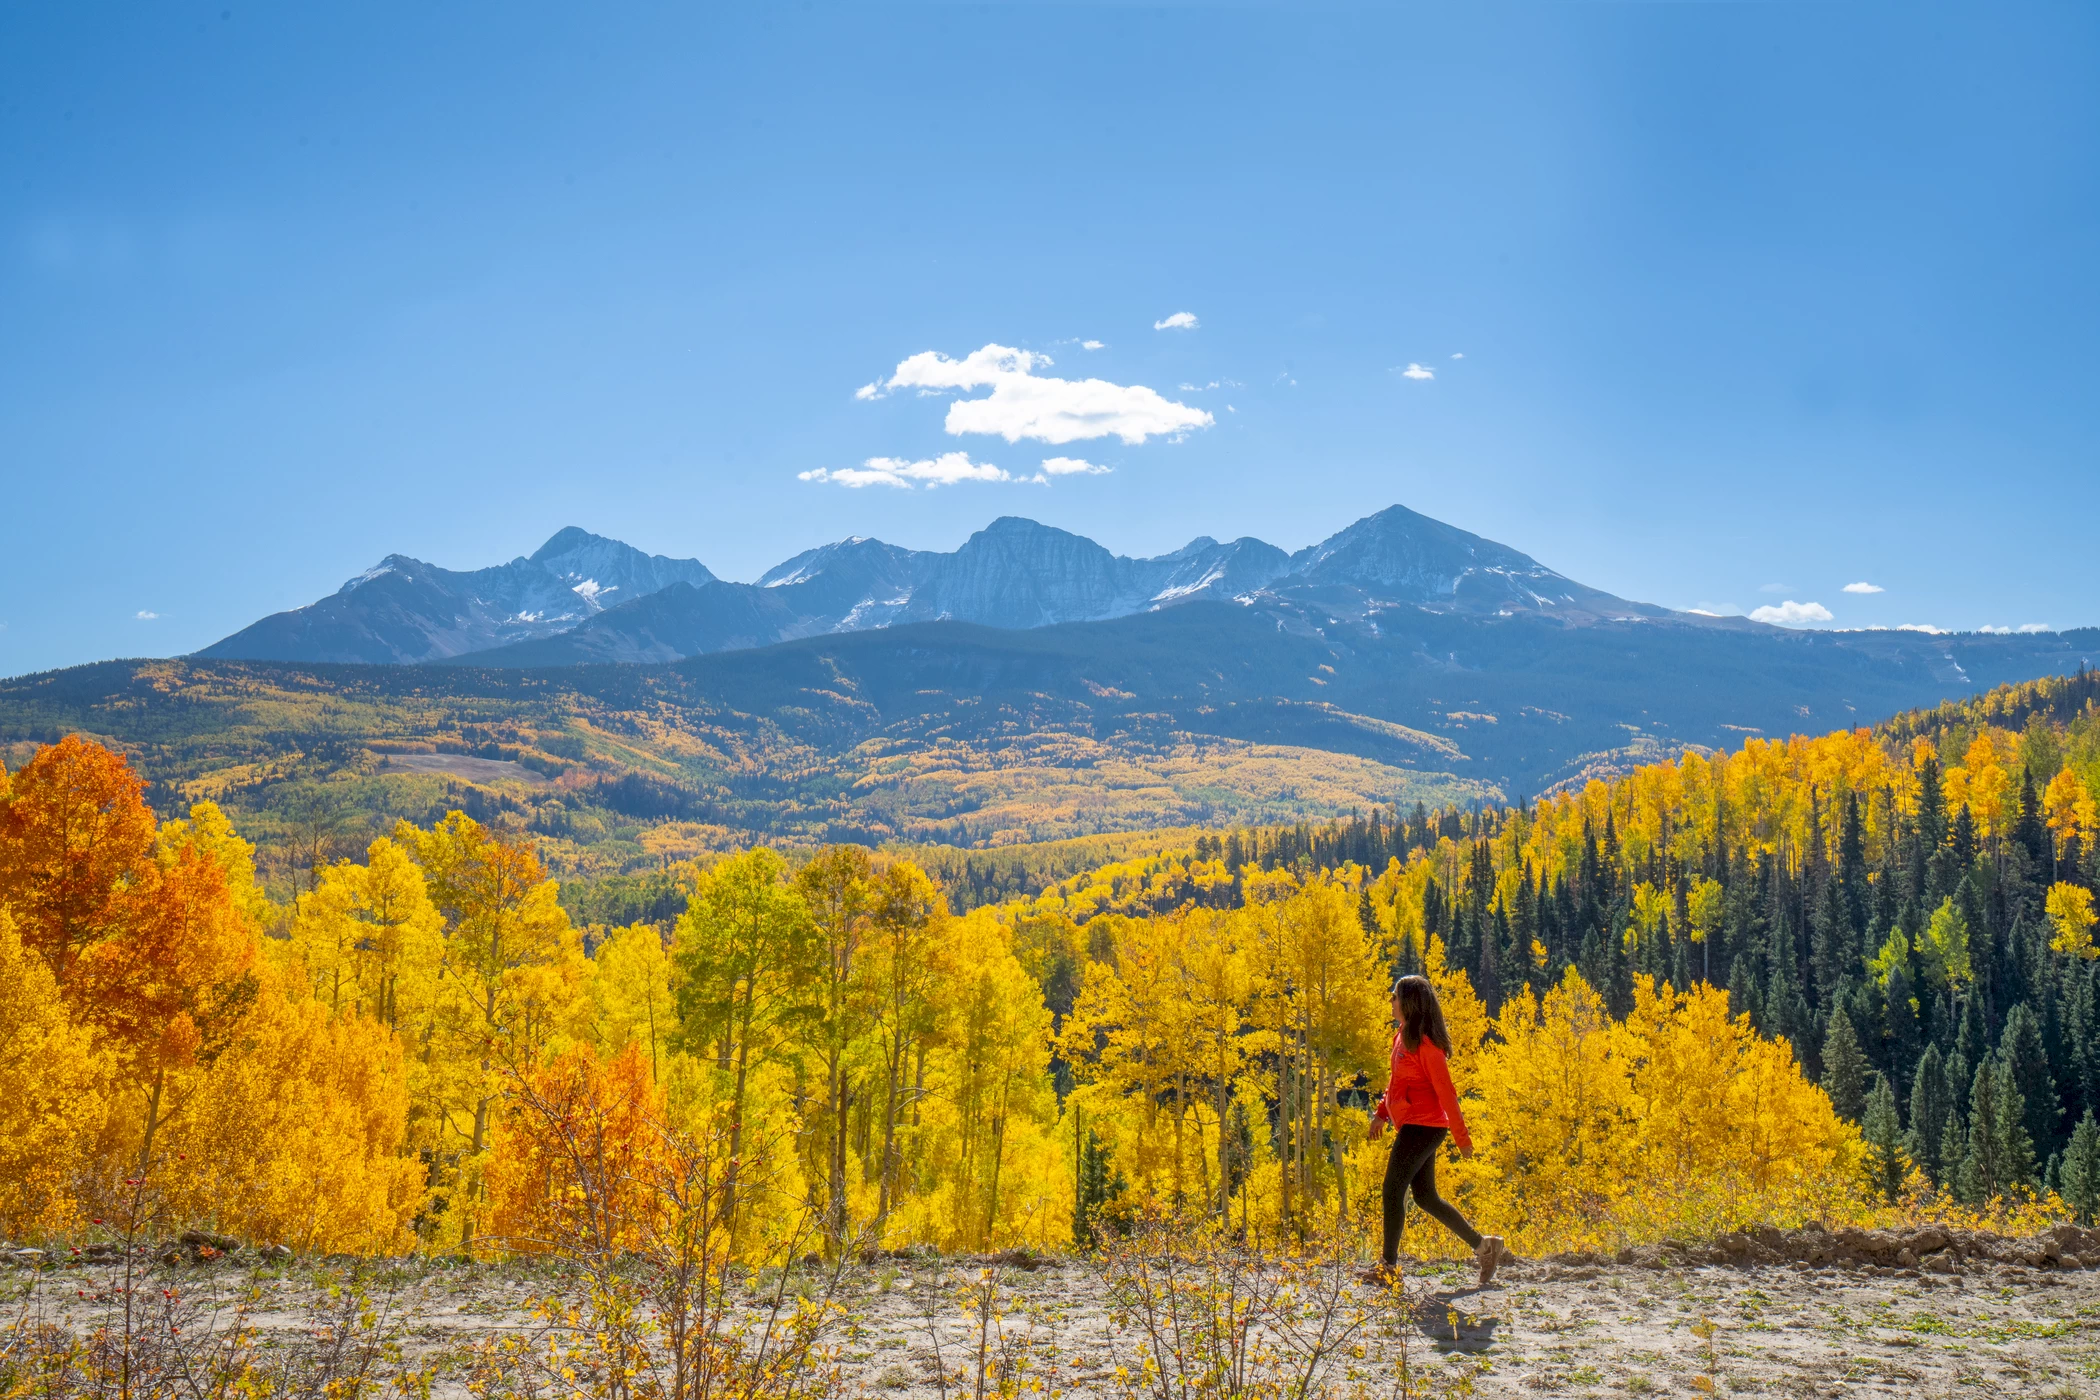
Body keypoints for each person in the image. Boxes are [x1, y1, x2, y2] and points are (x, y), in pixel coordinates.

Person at [1366, 974, 1503, 1287]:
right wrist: (1381, 1114)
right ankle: (1485, 1247)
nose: (1391, 1001)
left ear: (1409, 1003)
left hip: (1425, 1127)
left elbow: (1447, 1094)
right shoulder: (1401, 1037)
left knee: (1391, 1190)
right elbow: (1396, 1083)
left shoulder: (1428, 1047)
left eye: (1395, 996)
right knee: (1426, 1197)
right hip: (1413, 1123)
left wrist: (1462, 1140)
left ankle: (1388, 1269)